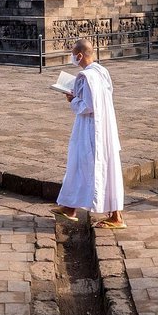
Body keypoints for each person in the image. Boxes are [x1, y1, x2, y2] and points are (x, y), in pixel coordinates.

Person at [53, 38, 125, 229]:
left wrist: (72, 100)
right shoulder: (102, 71)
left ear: (79, 55)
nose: (72, 57)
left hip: (91, 128)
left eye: (72, 53)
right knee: (85, 164)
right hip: (105, 125)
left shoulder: (86, 76)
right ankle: (70, 207)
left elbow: (89, 105)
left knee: (86, 163)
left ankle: (115, 216)